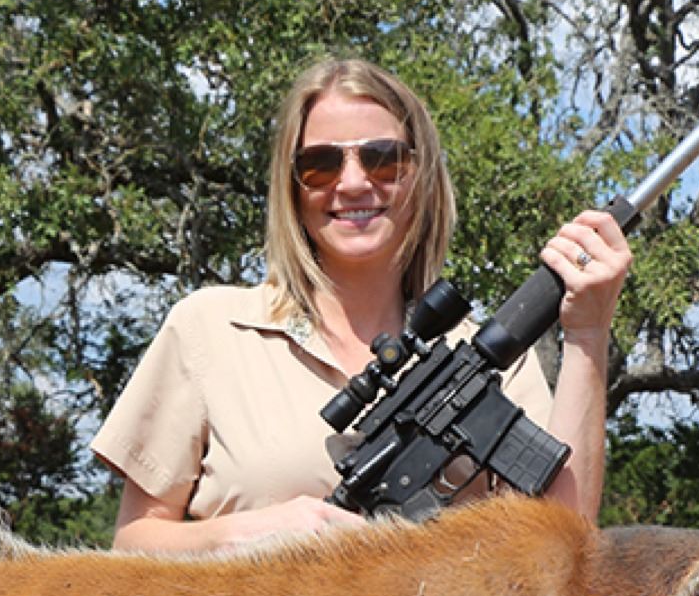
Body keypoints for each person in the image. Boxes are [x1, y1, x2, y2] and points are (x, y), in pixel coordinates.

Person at [91, 58, 631, 551]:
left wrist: (587, 332)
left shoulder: (486, 358)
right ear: (292, 187)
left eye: (382, 160)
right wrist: (259, 535)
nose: (352, 183)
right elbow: (133, 547)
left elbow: (566, 541)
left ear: (420, 177)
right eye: (320, 165)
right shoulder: (211, 330)